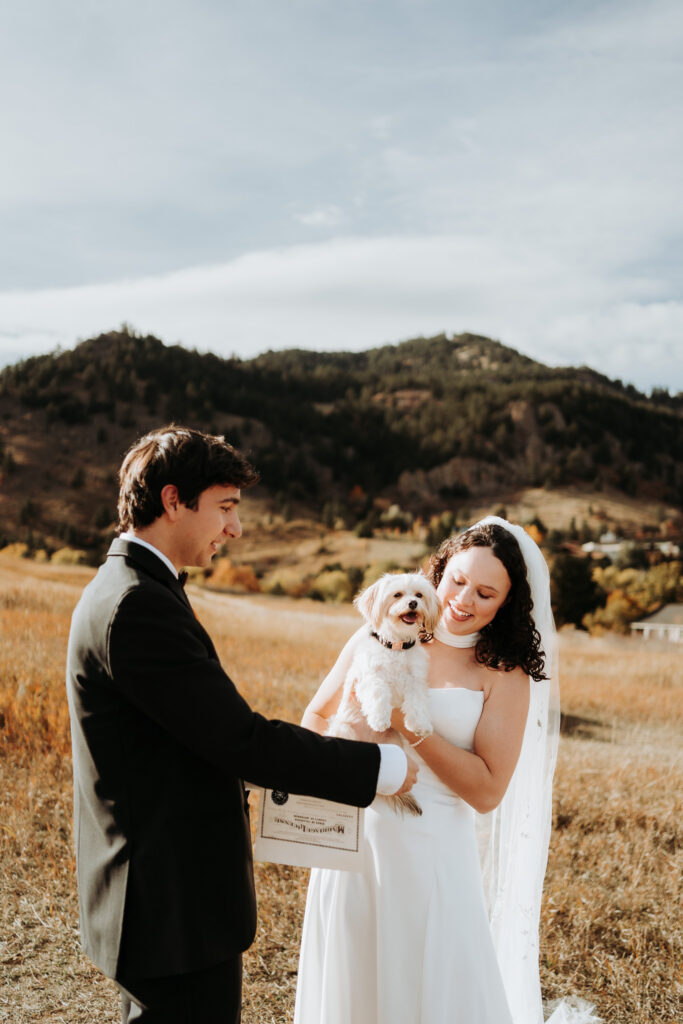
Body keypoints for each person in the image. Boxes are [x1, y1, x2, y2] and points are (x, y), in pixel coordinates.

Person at [65, 426, 417, 1024]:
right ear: (174, 500)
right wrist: (382, 765)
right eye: (225, 507)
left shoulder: (133, 587)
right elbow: (240, 739)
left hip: (160, 896)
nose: (236, 528)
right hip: (169, 905)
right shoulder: (137, 605)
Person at [295, 517, 599, 1024]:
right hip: (356, 842)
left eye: (485, 593)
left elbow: (487, 791)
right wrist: (354, 758)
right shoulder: (378, 633)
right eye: (456, 580)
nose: (463, 599)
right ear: (439, 570)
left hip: (433, 855)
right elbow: (317, 716)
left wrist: (406, 726)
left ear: (506, 604)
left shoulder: (504, 676)